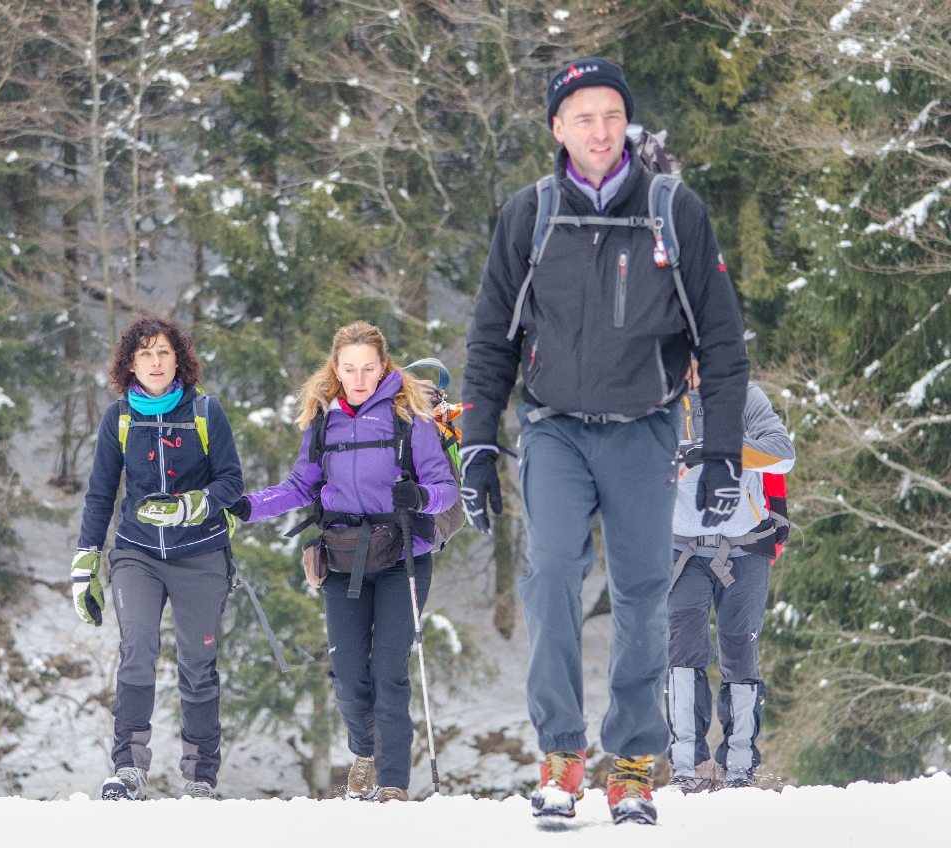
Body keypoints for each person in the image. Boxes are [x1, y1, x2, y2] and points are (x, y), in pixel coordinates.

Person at [458, 57, 750, 825]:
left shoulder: (671, 211)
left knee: (645, 592)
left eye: (612, 116)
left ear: (627, 124)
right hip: (553, 427)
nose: (599, 131)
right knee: (552, 574)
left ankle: (630, 766)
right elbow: (491, 339)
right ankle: (560, 755)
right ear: (557, 127)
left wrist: (723, 451)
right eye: (583, 117)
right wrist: (477, 445)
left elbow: (721, 341)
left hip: (645, 430)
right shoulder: (529, 215)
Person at [228, 322, 457, 802]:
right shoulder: (323, 420)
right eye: (349, 369)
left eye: (368, 368)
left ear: (384, 366)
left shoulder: (409, 417)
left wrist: (420, 495)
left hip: (402, 555)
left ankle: (392, 783)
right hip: (343, 553)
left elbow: (446, 490)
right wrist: (248, 506)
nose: (359, 379)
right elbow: (299, 486)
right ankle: (365, 752)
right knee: (349, 675)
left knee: (389, 672)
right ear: (335, 367)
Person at [71, 315, 243, 800]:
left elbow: (232, 482)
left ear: (177, 359)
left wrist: (192, 506)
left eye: (163, 351)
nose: (155, 361)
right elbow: (100, 493)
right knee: (137, 649)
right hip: (137, 553)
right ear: (130, 364)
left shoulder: (206, 411)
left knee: (198, 663)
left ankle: (200, 777)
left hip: (201, 554)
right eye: (144, 353)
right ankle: (128, 768)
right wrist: (86, 559)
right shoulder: (119, 418)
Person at [667, 359, 794, 792]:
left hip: (745, 547)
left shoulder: (745, 396)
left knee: (740, 653)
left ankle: (739, 768)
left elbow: (782, 454)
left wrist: (717, 449)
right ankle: (688, 767)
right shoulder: (656, 400)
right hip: (681, 549)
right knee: (683, 654)